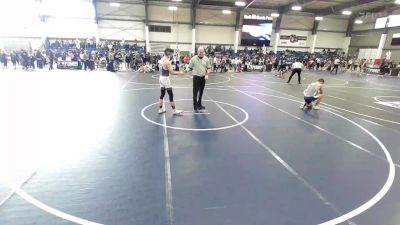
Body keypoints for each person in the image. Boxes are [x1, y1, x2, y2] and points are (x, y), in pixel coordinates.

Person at [158, 48, 184, 115]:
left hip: (161, 78)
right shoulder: (167, 62)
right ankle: (174, 110)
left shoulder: (161, 60)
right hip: (165, 79)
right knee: (171, 94)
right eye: (172, 53)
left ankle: (160, 109)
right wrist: (179, 73)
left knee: (162, 94)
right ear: (170, 54)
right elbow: (172, 72)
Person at [189, 47, 212, 112]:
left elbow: (209, 68)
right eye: (198, 51)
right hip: (196, 77)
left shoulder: (206, 59)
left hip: (203, 78)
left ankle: (199, 104)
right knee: (195, 93)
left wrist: (207, 74)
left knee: (201, 92)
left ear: (204, 52)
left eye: (201, 52)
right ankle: (195, 106)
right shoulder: (193, 59)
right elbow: (190, 67)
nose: (199, 53)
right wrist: (186, 70)